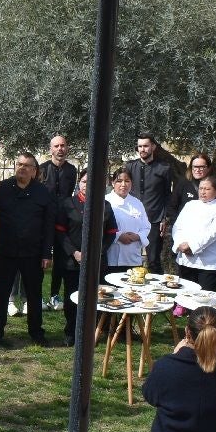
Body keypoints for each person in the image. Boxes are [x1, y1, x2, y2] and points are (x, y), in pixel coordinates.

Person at [0, 152, 55, 347]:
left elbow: (48, 225)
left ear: (34, 171)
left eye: (27, 165)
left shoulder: (43, 192)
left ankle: (36, 332)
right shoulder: (1, 189)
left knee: (34, 294)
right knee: (1, 294)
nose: (22, 168)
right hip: (5, 252)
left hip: (33, 253)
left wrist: (47, 253)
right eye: (19, 164)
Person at [55, 172, 118, 345]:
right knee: (72, 298)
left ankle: (93, 333)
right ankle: (71, 332)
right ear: (79, 183)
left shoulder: (105, 205)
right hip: (73, 261)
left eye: (90, 182)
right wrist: (74, 253)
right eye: (83, 181)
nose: (86, 185)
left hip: (96, 262)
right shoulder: (68, 204)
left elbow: (111, 233)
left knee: (95, 298)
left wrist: (98, 252)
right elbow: (60, 232)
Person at [170, 176, 216, 291]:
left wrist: (192, 247)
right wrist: (180, 244)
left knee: (203, 299)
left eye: (207, 189)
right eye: (201, 188)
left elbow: (213, 233)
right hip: (186, 260)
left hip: (209, 263)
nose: (203, 192)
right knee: (185, 296)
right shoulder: (190, 205)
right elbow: (178, 227)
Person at [41, 134, 79, 310]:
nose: (60, 149)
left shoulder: (72, 170)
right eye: (56, 146)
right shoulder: (42, 169)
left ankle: (55, 295)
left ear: (67, 147)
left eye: (62, 145)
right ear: (51, 149)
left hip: (63, 220)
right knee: (40, 258)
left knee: (60, 260)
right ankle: (38, 296)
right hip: (43, 220)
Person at [126, 134, 174, 273]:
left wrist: (164, 218)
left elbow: (167, 195)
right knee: (129, 258)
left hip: (154, 219)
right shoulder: (130, 166)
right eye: (140, 146)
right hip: (132, 218)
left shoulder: (164, 168)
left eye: (146, 146)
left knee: (153, 261)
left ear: (153, 146)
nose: (143, 149)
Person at [105, 167, 152, 274]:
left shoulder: (137, 203)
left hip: (133, 258)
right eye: (119, 181)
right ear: (113, 183)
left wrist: (138, 236)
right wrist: (118, 236)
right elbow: (100, 227)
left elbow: (146, 226)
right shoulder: (105, 201)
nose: (123, 184)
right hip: (111, 257)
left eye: (127, 181)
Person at [169, 152, 212, 228]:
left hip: (205, 229)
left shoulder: (214, 185)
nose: (197, 170)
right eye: (195, 167)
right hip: (183, 229)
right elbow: (172, 206)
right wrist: (177, 224)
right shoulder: (183, 183)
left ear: (208, 168)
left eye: (201, 167)